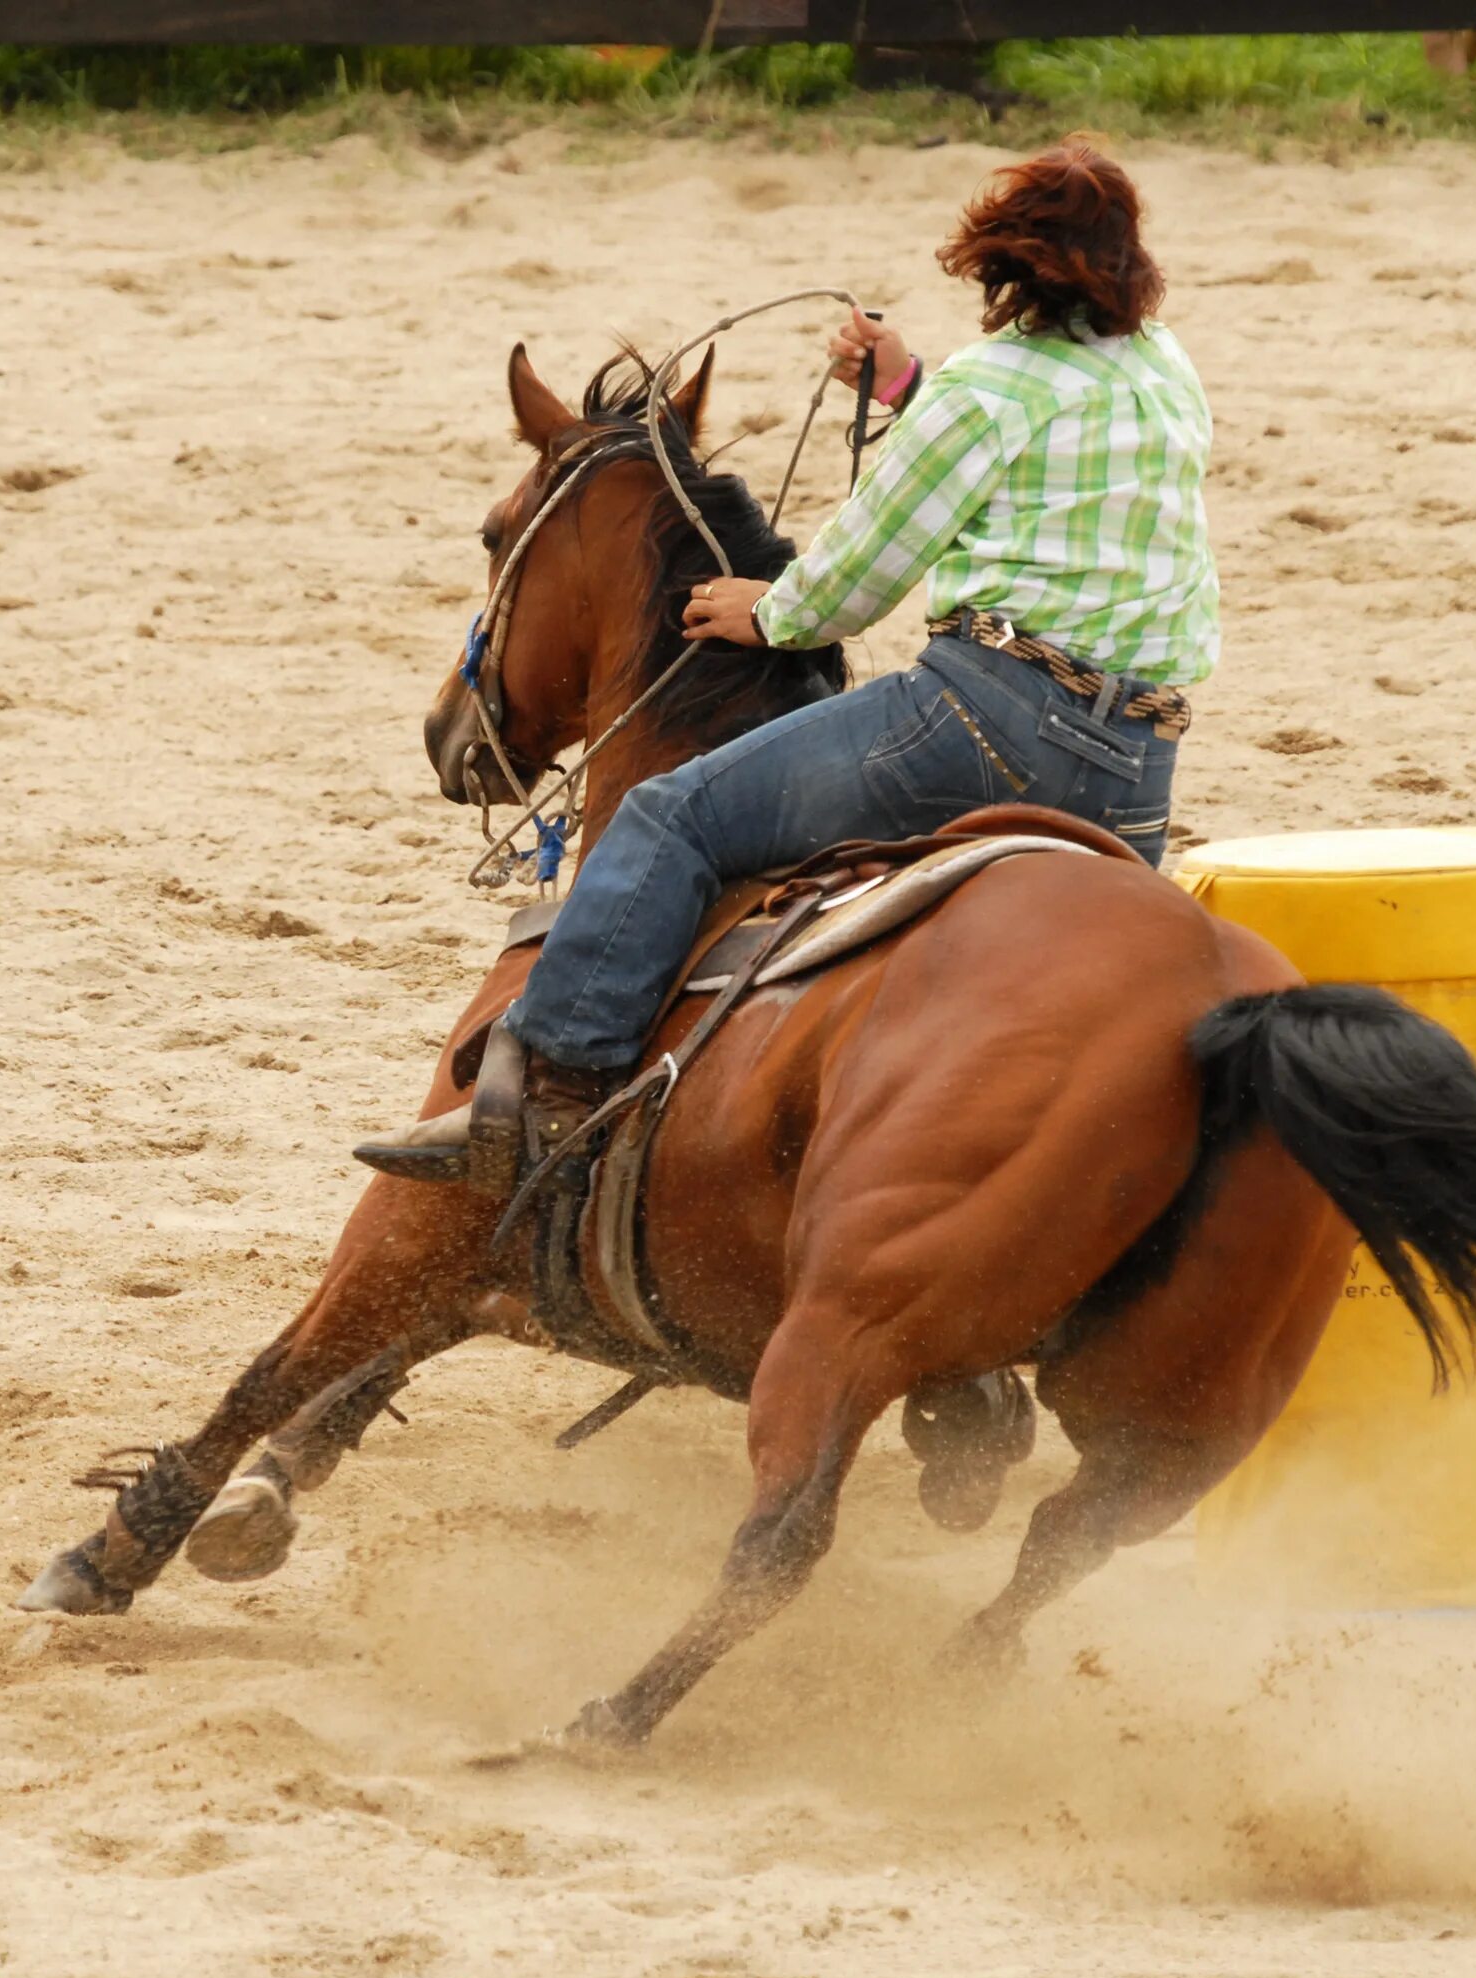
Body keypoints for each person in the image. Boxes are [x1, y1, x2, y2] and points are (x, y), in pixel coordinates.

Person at [364, 138, 1218, 1195]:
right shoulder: (1162, 367)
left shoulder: (989, 388)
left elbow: (857, 583)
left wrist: (769, 610)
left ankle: (546, 1088)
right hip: (1136, 764)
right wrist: (907, 385)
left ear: (999, 269)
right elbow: (1042, 462)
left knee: (672, 816)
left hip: (993, 722)